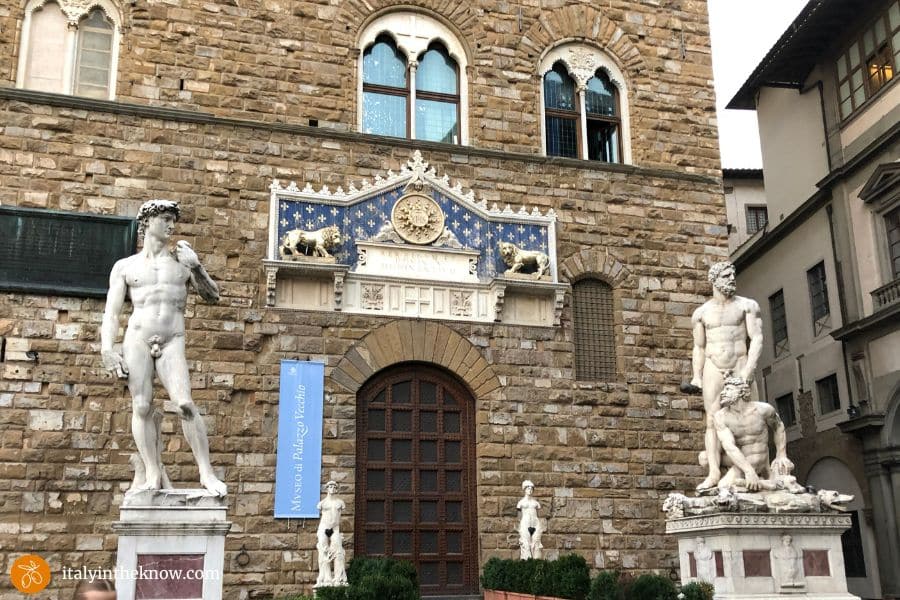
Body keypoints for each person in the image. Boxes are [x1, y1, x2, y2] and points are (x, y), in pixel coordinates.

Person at [101, 200, 226, 497]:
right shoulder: (125, 267)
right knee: (142, 406)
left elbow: (212, 297)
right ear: (148, 222)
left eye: (173, 220)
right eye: (167, 219)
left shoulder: (182, 263)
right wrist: (108, 349)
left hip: (172, 339)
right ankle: (152, 473)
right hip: (138, 338)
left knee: (185, 403)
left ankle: (206, 473)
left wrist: (198, 267)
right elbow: (111, 312)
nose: (172, 225)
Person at [687, 261, 763, 491]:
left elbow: (757, 339)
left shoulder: (747, 306)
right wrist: (696, 376)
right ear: (714, 280)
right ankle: (713, 472)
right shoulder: (701, 313)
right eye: (727, 276)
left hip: (740, 365)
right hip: (714, 367)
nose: (732, 279)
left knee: (748, 416)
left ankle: (748, 468)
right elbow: (698, 347)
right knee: (711, 420)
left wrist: (748, 372)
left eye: (733, 275)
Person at [713, 376, 793, 491]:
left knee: (724, 487)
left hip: (757, 457)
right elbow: (729, 447)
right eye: (724, 390)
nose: (723, 393)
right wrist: (749, 471)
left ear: (741, 392)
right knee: (705, 460)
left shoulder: (763, 409)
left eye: (728, 389)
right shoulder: (721, 416)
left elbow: (779, 427)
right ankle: (765, 483)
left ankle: (762, 481)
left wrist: (781, 455)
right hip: (740, 460)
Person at [316, 480, 347, 587]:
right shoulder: (322, 503)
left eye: (334, 486)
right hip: (324, 528)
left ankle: (338, 579)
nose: (332, 488)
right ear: (327, 488)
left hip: (335, 529)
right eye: (330, 486)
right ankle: (326, 578)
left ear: (337, 489)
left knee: (338, 552)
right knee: (323, 551)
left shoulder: (340, 503)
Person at [517, 480, 543, 559]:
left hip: (535, 524)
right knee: (526, 545)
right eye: (528, 488)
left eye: (531, 488)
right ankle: (526, 565)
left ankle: (537, 565)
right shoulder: (521, 503)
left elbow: (538, 509)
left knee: (536, 544)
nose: (530, 490)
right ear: (524, 489)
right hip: (525, 523)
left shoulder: (536, 503)